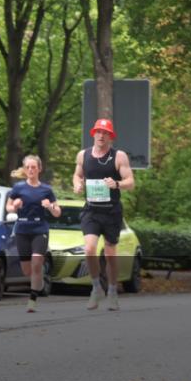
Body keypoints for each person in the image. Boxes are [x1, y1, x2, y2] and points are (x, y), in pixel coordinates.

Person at [72, 118, 135, 311]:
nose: (101, 135)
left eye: (105, 132)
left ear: (110, 136)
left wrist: (116, 184)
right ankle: (96, 287)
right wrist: (77, 184)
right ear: (93, 134)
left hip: (111, 211)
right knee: (89, 249)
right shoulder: (83, 155)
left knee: (110, 254)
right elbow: (77, 174)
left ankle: (113, 290)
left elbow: (130, 182)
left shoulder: (119, 156)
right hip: (91, 209)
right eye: (98, 132)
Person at [6, 155, 60, 312]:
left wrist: (49, 206)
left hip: (40, 229)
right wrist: (14, 206)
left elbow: (57, 212)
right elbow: (8, 207)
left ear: (39, 169)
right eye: (28, 167)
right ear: (24, 169)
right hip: (22, 229)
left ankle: (32, 299)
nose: (31, 170)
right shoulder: (18, 188)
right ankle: (38, 275)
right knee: (27, 270)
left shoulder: (46, 190)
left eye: (34, 167)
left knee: (36, 262)